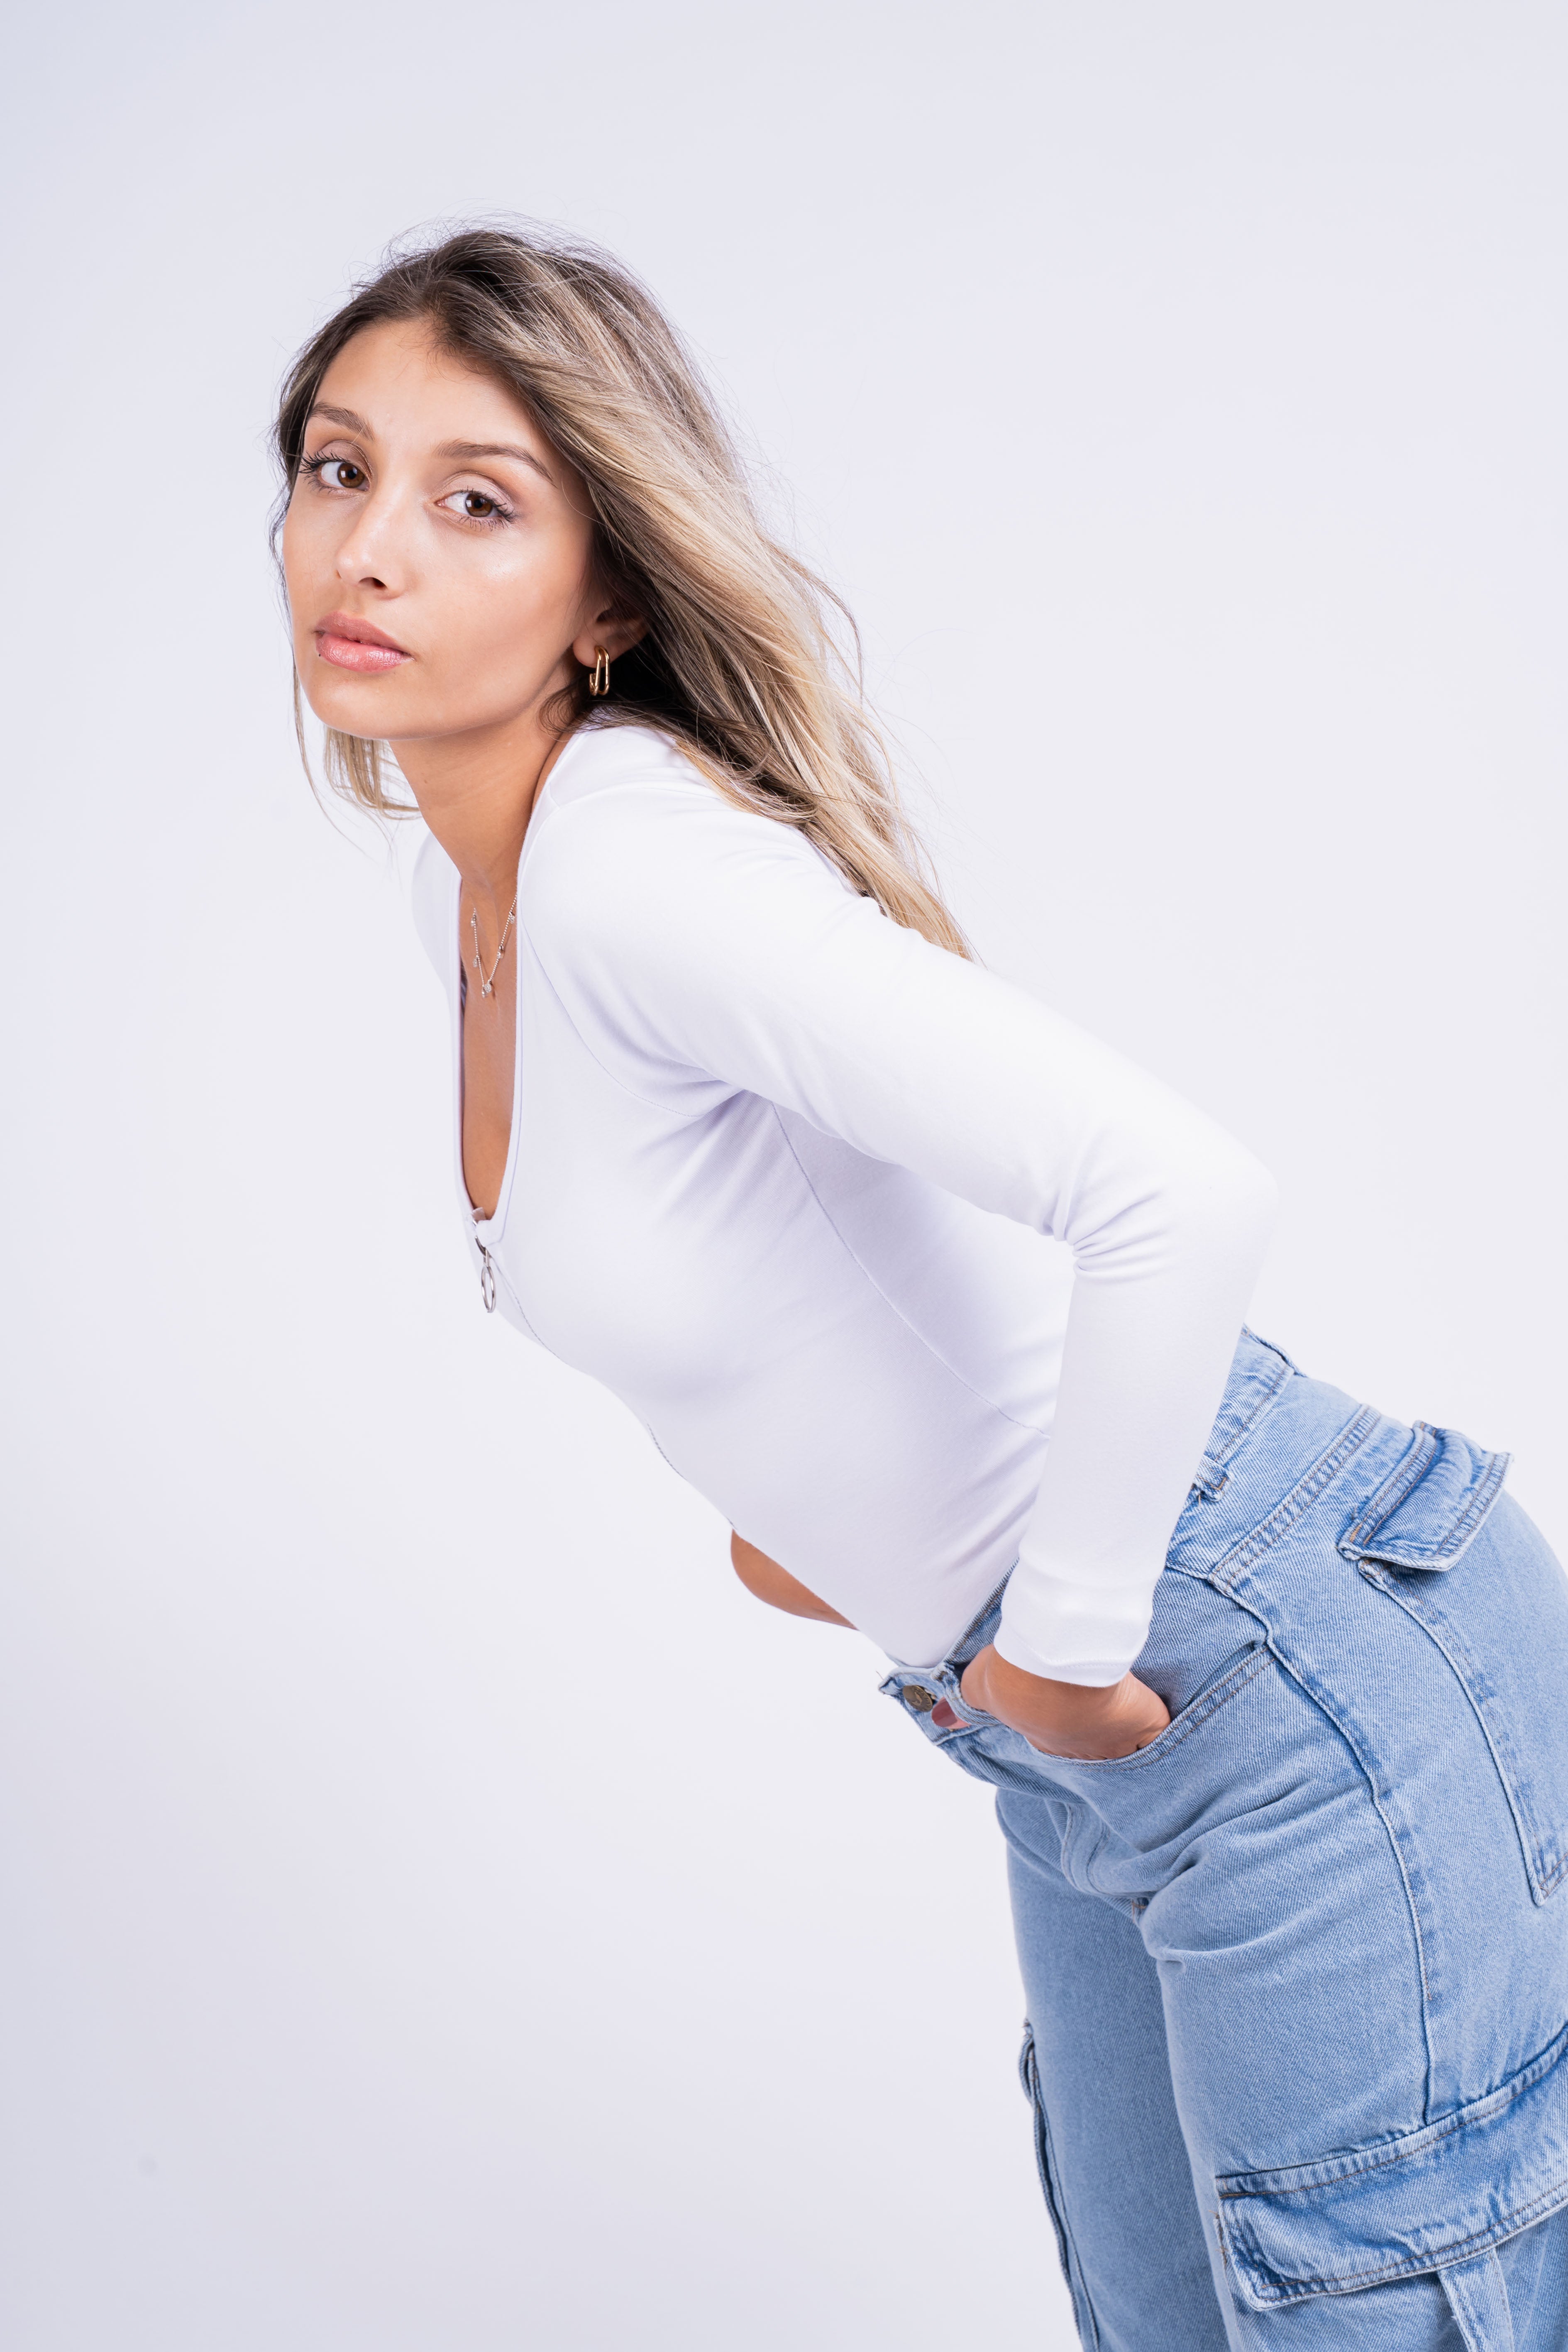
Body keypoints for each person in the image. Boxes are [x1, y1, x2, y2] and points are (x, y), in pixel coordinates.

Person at [274, 225, 1568, 2351]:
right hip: (1083, 1721)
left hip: (1269, 1670)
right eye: (338, 468)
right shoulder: (469, 893)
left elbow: (1177, 1191)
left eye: (473, 498)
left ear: (609, 594)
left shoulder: (631, 866)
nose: (371, 545)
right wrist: (834, 1540)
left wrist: (1058, 1643)